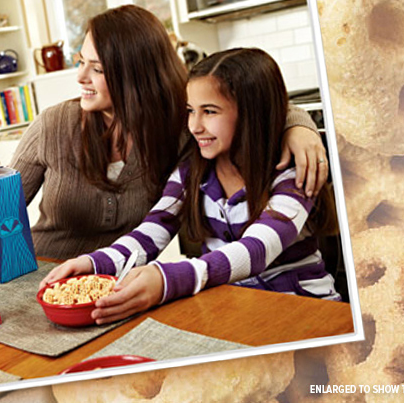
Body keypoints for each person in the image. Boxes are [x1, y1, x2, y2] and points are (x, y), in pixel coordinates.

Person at [40, 48, 341, 324]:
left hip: (307, 310)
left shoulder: (291, 174)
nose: (195, 125)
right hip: (239, 309)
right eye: (190, 110)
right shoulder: (192, 170)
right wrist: (94, 264)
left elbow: (256, 251)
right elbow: (151, 232)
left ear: (250, 114)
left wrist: (167, 279)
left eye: (209, 111)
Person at [11, 5, 329, 261]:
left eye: (96, 68)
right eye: (81, 62)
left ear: (135, 75)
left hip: (124, 283)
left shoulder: (182, 126)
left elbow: (246, 103)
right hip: (43, 273)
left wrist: (298, 125)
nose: (80, 76)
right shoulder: (52, 125)